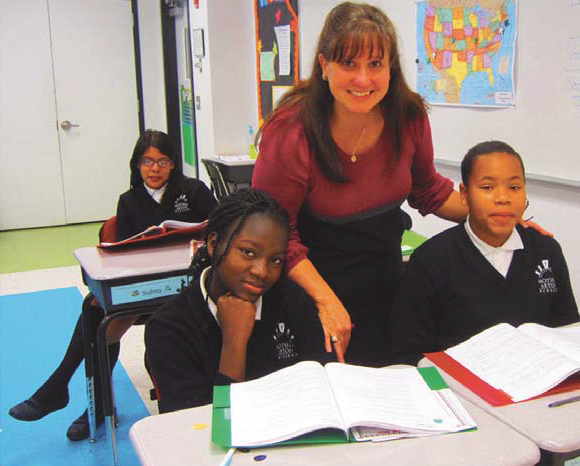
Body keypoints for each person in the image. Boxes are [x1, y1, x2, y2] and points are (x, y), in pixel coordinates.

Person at [252, 2, 468, 367]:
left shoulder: (409, 117)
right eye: (348, 64)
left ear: (391, 68)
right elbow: (274, 236)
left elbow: (427, 189)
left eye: (375, 64)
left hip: (384, 276)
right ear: (324, 66)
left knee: (397, 379)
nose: (363, 80)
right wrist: (326, 300)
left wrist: (497, 218)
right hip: (309, 280)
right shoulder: (292, 132)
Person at [9, 130, 217, 440]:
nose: (155, 168)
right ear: (137, 165)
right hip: (149, 287)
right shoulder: (129, 201)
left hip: (190, 288)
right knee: (96, 310)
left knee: (108, 316)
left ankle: (60, 390)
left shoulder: (194, 191)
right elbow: (124, 252)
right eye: (147, 161)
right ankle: (93, 400)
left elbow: (221, 229)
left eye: (162, 161)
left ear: (173, 164)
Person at [389, 141, 579, 365]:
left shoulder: (546, 250)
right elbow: (409, 352)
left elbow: (567, 330)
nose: (503, 198)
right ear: (464, 194)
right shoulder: (431, 260)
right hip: (460, 389)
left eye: (515, 187)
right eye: (487, 187)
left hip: (535, 387)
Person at [145, 189, 332, 413]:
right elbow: (204, 427)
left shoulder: (293, 302)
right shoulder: (169, 327)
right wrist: (234, 342)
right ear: (214, 244)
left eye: (276, 260)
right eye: (248, 252)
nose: (262, 271)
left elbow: (323, 390)